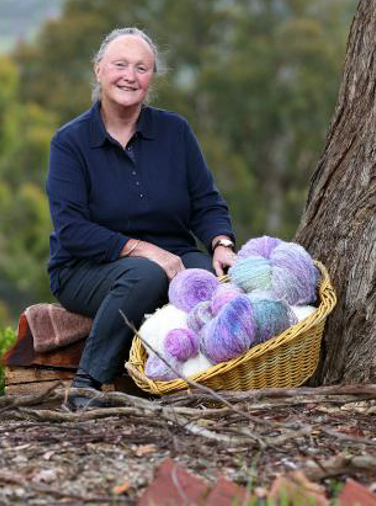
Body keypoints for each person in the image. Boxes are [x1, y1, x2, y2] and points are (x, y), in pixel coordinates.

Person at [46, 27, 236, 410]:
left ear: (151, 79)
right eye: (120, 65)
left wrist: (221, 244)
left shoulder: (175, 132)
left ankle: (206, 385)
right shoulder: (69, 143)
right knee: (146, 275)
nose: (129, 76)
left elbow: (206, 201)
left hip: (174, 253)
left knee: (213, 282)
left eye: (141, 68)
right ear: (99, 70)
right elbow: (72, 230)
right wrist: (143, 251)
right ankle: (87, 385)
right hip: (87, 266)